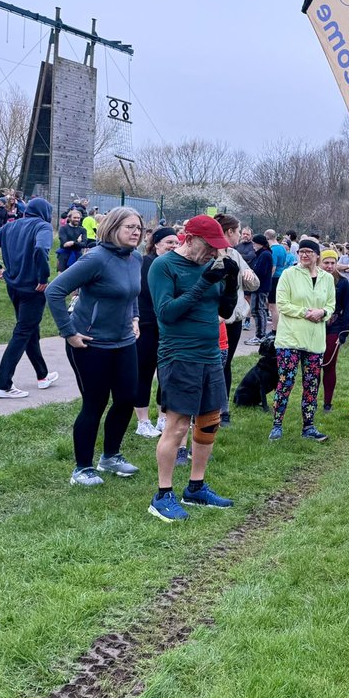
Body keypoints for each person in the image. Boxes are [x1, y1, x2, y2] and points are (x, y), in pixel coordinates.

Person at [146, 214, 239, 522]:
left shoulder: (208, 265)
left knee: (209, 421)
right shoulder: (164, 266)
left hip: (210, 354)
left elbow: (224, 311)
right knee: (178, 426)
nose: (215, 253)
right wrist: (203, 283)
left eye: (218, 248)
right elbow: (167, 313)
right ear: (190, 238)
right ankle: (162, 495)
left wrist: (231, 284)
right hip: (179, 356)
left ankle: (196, 487)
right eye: (210, 246)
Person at [45, 207, 144, 487]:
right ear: (112, 228)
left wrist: (134, 316)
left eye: (138, 228)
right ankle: (82, 468)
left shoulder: (135, 258)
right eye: (129, 227)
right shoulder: (96, 259)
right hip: (90, 343)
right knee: (95, 403)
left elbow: (132, 291)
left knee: (127, 398)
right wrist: (69, 332)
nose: (136, 232)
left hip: (124, 341)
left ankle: (110, 456)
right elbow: (55, 291)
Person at [0, 197, 60, 399]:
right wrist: (43, 277)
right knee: (23, 331)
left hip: (13, 286)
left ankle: (43, 376)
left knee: (30, 329)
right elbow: (41, 249)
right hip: (34, 288)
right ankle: (3, 384)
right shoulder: (43, 227)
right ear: (45, 212)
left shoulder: (10, 227)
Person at [269, 239, 334, 442]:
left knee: (311, 384)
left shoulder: (327, 278)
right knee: (285, 382)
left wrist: (323, 312)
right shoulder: (289, 274)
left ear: (317, 255)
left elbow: (331, 304)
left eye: (309, 252)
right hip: (290, 339)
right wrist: (306, 312)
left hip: (315, 341)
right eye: (302, 252)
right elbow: (282, 304)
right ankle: (277, 424)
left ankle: (309, 426)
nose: (304, 255)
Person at [214, 214, 260, 427]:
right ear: (229, 232)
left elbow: (253, 284)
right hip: (216, 320)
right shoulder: (210, 254)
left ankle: (223, 412)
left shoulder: (235, 254)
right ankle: (208, 409)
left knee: (226, 364)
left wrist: (250, 278)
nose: (241, 235)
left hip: (234, 319)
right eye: (238, 231)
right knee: (213, 365)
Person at [133, 226, 179, 438]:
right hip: (147, 325)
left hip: (168, 328)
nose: (173, 246)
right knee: (144, 371)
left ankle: (163, 417)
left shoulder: (173, 265)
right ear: (156, 243)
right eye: (169, 242)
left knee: (166, 373)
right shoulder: (146, 263)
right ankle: (143, 421)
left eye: (176, 242)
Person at [319, 248, 349, 413]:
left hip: (335, 326)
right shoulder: (314, 279)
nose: (330, 266)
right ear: (320, 263)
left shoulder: (343, 282)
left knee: (329, 365)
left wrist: (344, 332)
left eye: (333, 262)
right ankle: (310, 399)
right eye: (326, 262)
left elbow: (347, 307)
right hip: (315, 326)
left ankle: (327, 403)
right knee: (313, 366)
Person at [57, 208, 90, 273]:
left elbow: (84, 244)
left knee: (76, 276)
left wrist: (73, 242)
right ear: (69, 218)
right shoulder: (63, 229)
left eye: (78, 218)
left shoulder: (83, 230)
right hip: (64, 255)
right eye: (74, 217)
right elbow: (64, 244)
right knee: (61, 276)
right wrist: (77, 242)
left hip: (77, 255)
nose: (77, 219)